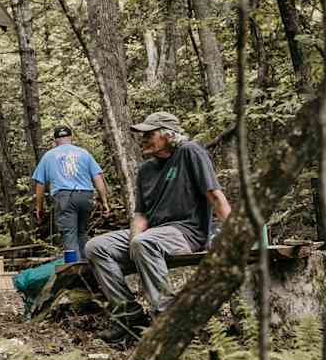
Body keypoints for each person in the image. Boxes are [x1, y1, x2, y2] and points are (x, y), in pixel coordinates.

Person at [84, 111, 232, 344]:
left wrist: (239, 234)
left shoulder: (190, 151)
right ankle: (129, 315)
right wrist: (134, 239)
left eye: (148, 134)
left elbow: (214, 195)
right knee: (95, 246)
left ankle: (169, 319)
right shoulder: (146, 170)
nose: (142, 139)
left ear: (168, 135)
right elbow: (140, 214)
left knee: (146, 241)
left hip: (187, 232)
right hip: (153, 232)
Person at [32, 125, 111, 260]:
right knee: (82, 232)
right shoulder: (84, 153)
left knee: (69, 234)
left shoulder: (49, 156)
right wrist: (105, 202)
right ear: (70, 137)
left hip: (64, 197)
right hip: (86, 195)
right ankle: (88, 267)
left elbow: (40, 183)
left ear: (55, 140)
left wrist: (39, 207)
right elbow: (97, 177)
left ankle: (74, 272)